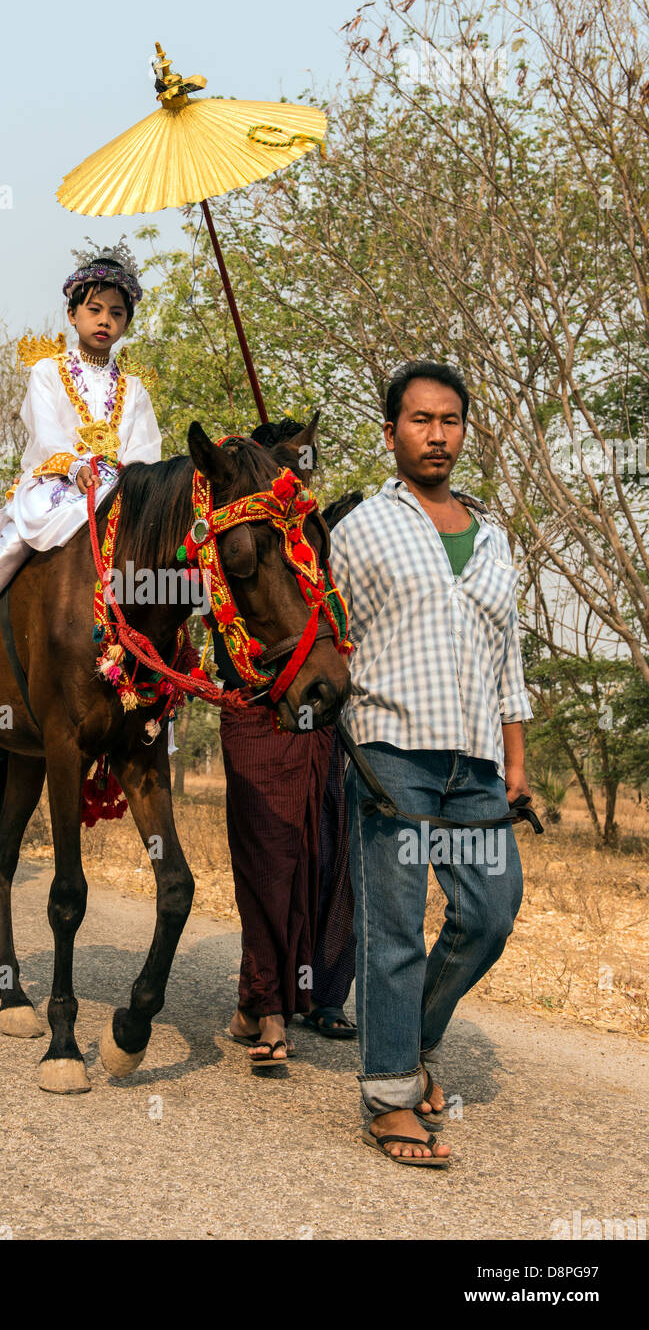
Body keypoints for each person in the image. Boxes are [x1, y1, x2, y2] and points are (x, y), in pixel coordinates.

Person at [329, 360, 532, 1167]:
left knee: (489, 912)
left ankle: (409, 1040)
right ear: (391, 433)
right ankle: (388, 1096)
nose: (437, 434)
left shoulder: (491, 536)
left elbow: (506, 657)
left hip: (474, 766)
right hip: (390, 756)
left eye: (449, 420)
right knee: (392, 931)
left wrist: (515, 761)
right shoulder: (359, 530)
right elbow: (324, 636)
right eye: (420, 420)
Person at [0, 238, 162, 693]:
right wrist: (76, 467)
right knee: (14, 541)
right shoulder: (48, 372)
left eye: (117, 313)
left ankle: (156, 669)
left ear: (127, 324)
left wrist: (132, 482)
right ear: (73, 314)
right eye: (95, 309)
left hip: (118, 493)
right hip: (58, 484)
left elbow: (145, 451)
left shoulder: (134, 389)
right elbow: (46, 435)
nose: (105, 320)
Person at [217, 418, 356, 1067]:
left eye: (305, 466)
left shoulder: (308, 542)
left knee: (312, 857)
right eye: (291, 464)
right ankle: (271, 1011)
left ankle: (271, 999)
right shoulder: (236, 535)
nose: (300, 475)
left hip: (311, 722)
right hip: (251, 713)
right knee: (268, 860)